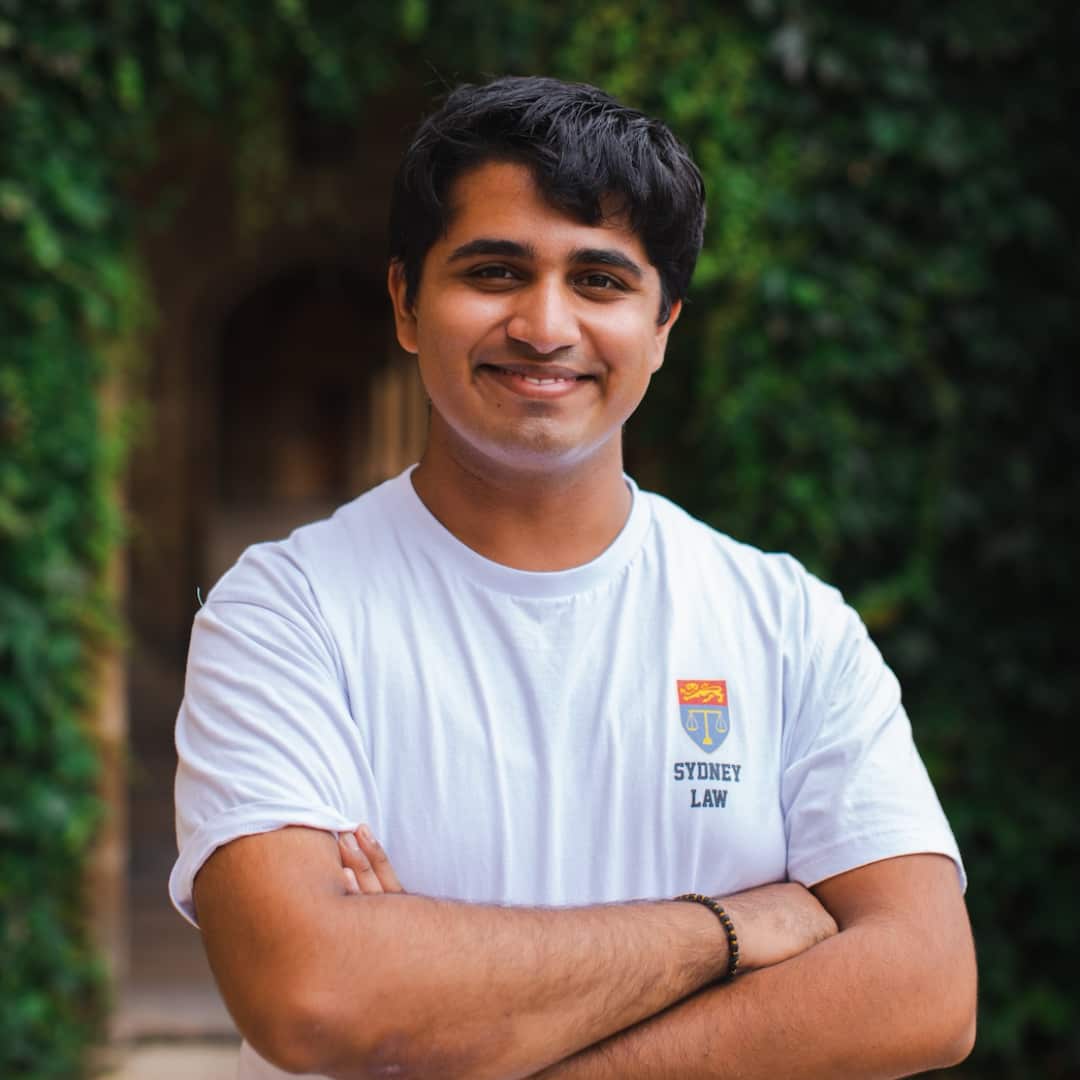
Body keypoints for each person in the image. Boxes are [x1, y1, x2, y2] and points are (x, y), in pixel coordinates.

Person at [171, 76, 977, 1079]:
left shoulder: (787, 624)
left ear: (663, 326)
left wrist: (446, 992)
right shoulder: (285, 614)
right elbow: (314, 992)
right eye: (495, 271)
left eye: (600, 281)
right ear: (407, 304)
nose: (545, 325)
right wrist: (728, 932)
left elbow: (927, 990)